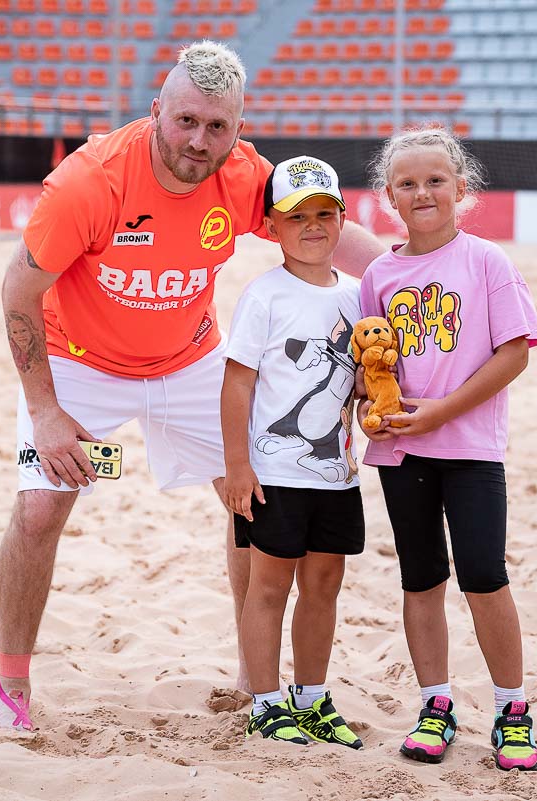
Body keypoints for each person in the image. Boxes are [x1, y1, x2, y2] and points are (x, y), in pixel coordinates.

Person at [0, 41, 385, 731]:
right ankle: (12, 685)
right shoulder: (89, 183)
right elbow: (18, 291)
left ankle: (253, 677)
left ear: (238, 129)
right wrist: (45, 409)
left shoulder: (243, 175)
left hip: (190, 358)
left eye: (216, 126)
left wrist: (407, 279)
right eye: (186, 121)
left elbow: (330, 231)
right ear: (156, 111)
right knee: (38, 512)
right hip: (79, 361)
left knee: (252, 497)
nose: (198, 141)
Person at [358, 128, 537, 771]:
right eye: (407, 183)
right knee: (421, 578)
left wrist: (442, 410)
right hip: (403, 455)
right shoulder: (379, 274)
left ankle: (512, 709)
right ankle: (435, 704)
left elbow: (514, 353)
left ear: (461, 188)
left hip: (470, 449)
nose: (422, 193)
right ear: (389, 197)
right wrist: (369, 413)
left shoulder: (487, 261)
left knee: (484, 577)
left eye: (435, 180)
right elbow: (371, 368)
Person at [220, 156, 365, 748]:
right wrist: (237, 466)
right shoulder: (265, 296)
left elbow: (362, 381)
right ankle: (265, 701)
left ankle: (311, 697)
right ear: (272, 227)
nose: (312, 226)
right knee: (269, 587)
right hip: (273, 472)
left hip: (337, 473)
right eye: (296, 216)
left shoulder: (359, 295)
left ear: (342, 220)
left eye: (324, 214)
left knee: (324, 584)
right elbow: (238, 383)